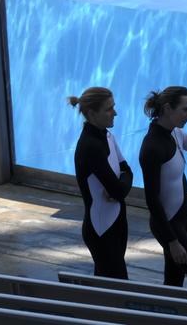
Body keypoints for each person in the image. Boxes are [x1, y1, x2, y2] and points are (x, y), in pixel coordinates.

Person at [139, 86, 187, 290]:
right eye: (186, 110)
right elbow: (152, 199)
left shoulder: (176, 134)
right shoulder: (152, 147)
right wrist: (172, 241)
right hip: (169, 225)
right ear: (167, 108)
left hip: (183, 221)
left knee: (173, 282)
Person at [69, 87, 133, 279]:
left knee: (109, 290)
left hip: (117, 222)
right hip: (101, 230)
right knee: (118, 291)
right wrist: (120, 186)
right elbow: (120, 190)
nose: (115, 113)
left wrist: (121, 185)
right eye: (109, 109)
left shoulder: (107, 135)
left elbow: (126, 171)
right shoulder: (91, 146)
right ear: (91, 113)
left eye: (113, 107)